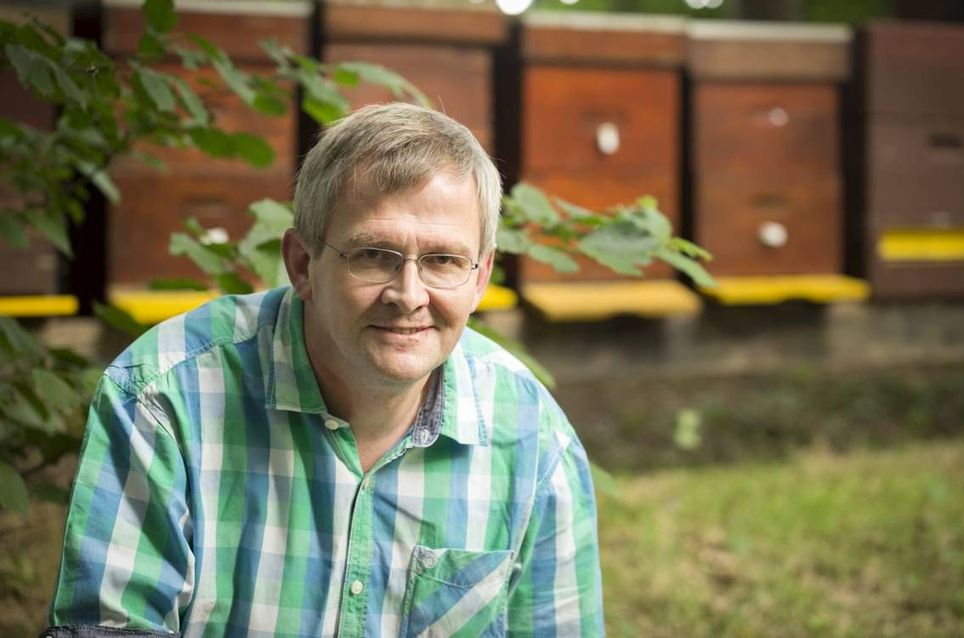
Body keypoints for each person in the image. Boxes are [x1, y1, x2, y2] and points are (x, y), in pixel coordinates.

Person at [42, 102, 603, 638]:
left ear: (479, 279)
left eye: (443, 261)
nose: (408, 296)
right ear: (302, 265)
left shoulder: (534, 440)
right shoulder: (164, 397)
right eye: (373, 254)